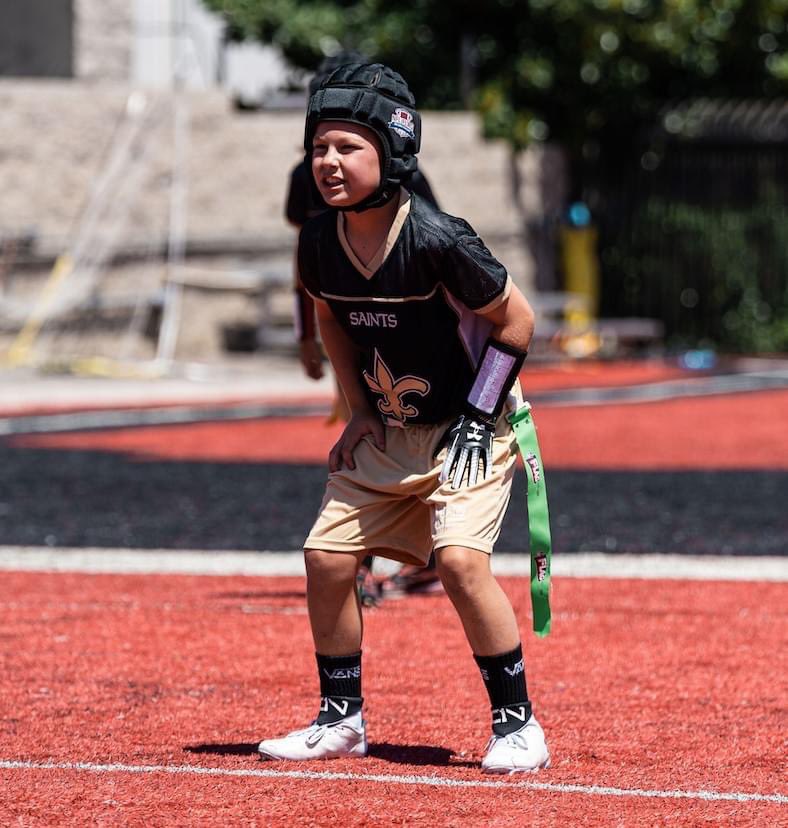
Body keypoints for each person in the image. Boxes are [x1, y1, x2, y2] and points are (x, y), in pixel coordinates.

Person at [259, 63, 549, 773]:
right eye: (319, 147)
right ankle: (341, 721)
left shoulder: (440, 238)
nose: (327, 162)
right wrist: (356, 410)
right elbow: (330, 315)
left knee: (457, 562)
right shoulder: (319, 241)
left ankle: (519, 726)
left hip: (471, 424)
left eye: (346, 148)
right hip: (388, 432)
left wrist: (481, 419)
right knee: (326, 560)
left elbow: (518, 323)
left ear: (391, 153)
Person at [285, 54, 442, 605]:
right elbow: (307, 254)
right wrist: (308, 331)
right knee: (367, 436)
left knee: (422, 438)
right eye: (320, 143)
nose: (330, 160)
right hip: (355, 323)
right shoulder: (310, 176)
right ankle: (354, 560)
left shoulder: (401, 175)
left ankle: (425, 554)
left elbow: (439, 253)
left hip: (412, 328)